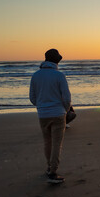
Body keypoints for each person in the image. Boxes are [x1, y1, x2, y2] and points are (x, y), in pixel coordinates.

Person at [30, 49, 71, 184]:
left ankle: (49, 167)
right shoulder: (59, 76)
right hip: (58, 113)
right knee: (56, 144)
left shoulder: (36, 75)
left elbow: (32, 97)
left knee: (47, 142)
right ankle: (53, 172)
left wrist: (41, 106)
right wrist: (64, 109)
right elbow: (66, 98)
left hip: (43, 114)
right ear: (57, 61)